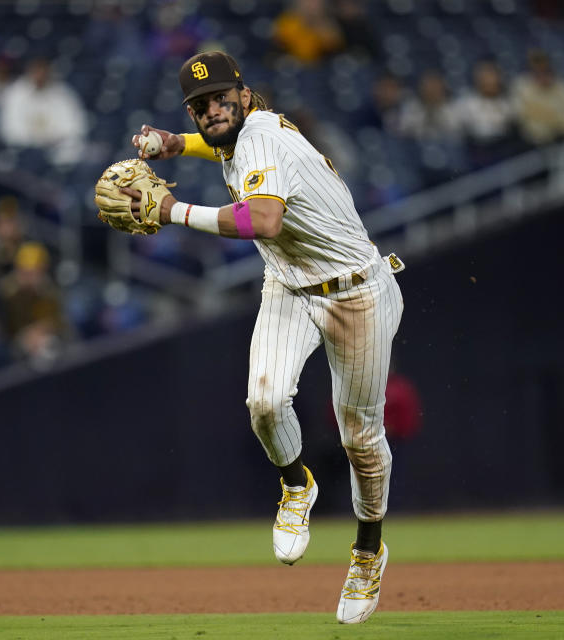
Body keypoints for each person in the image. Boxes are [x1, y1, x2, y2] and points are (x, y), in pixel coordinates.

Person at [124, 51, 404, 624]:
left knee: (360, 439)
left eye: (220, 97)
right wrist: (176, 144)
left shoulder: (259, 138)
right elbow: (218, 142)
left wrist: (172, 209)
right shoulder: (239, 131)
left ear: (244, 95)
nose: (211, 111)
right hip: (289, 285)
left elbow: (262, 222)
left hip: (358, 293)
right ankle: (296, 484)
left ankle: (369, 548)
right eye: (199, 106)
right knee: (265, 401)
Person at [0, 57, 88, 167]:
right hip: (23, 151)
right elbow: (9, 130)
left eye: (43, 71)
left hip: (56, 151)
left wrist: (53, 139)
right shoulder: (14, 93)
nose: (40, 75)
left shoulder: (63, 93)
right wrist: (37, 141)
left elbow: (75, 127)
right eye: (36, 71)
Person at [511, 49, 564, 146]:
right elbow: (524, 115)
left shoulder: (559, 83)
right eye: (536, 67)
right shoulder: (521, 86)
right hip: (540, 139)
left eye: (544, 67)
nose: (540, 69)